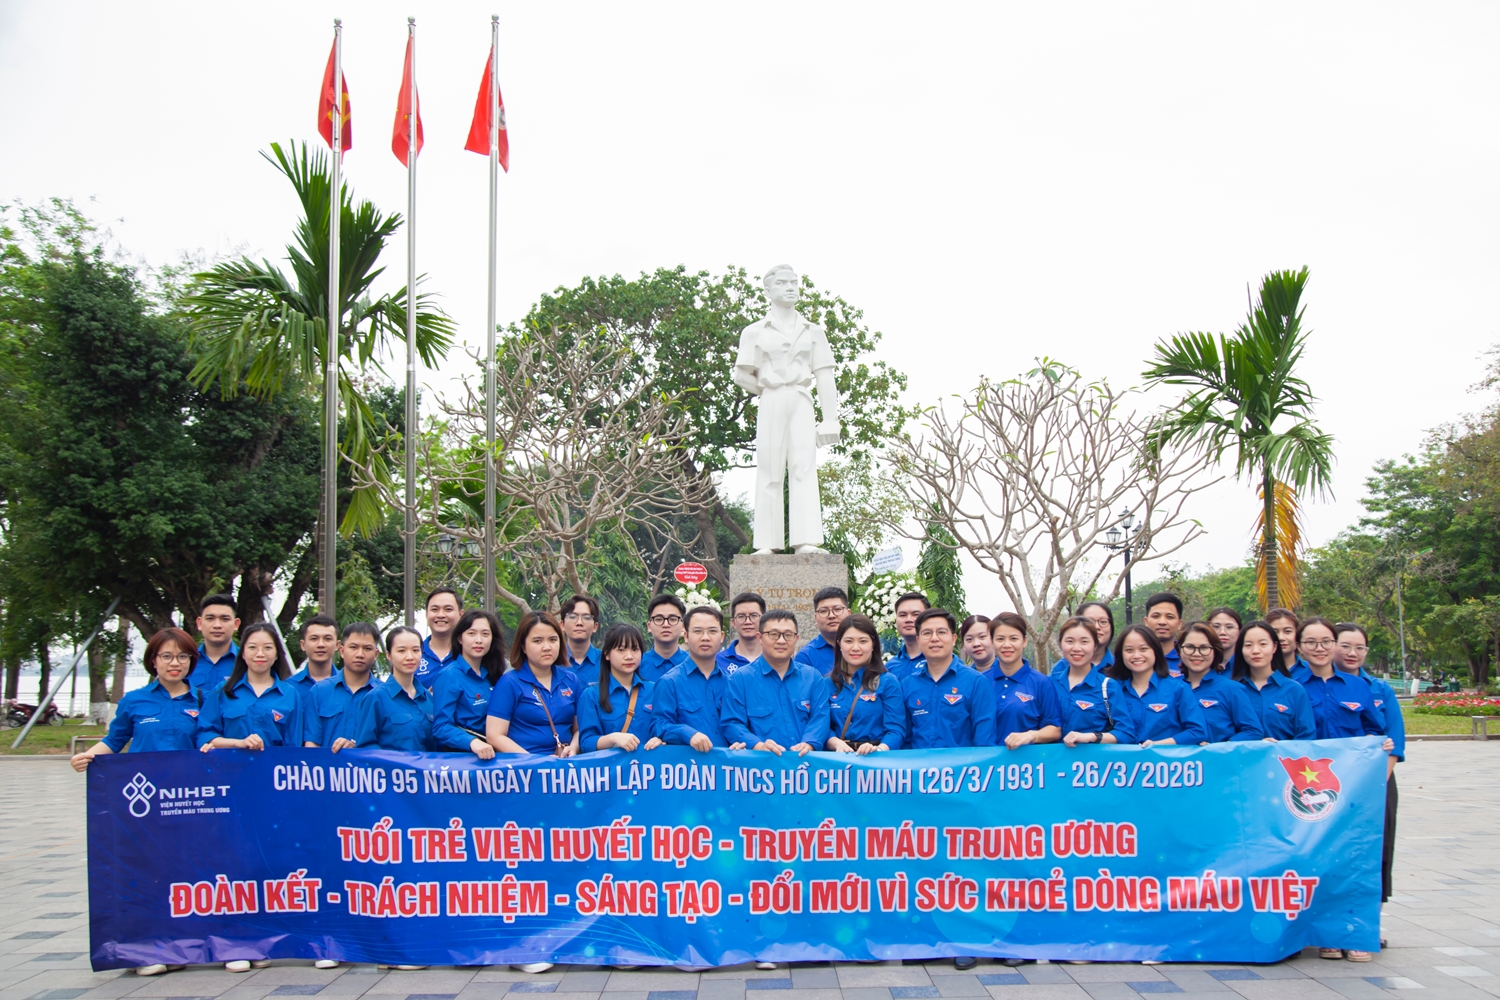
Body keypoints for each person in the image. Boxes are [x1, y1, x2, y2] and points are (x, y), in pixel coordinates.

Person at [1298, 615, 1389, 964]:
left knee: (1353, 858)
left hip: (1350, 788)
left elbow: (1374, 730)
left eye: (1325, 641)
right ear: (1299, 647)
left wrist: (1381, 745)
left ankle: (1355, 932)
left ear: (1334, 645)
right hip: (1306, 791)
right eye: (1311, 642)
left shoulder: (1357, 687)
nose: (1319, 648)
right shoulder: (1292, 686)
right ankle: (1326, 934)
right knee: (1315, 857)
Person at [735, 263, 841, 554]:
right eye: (782, 283)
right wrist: (768, 387)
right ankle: (766, 545)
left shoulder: (813, 331)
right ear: (768, 291)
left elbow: (825, 374)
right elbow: (742, 375)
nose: (790, 287)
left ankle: (806, 541)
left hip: (801, 398)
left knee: (804, 468)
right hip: (771, 398)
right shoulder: (754, 332)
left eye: (794, 282)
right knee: (769, 469)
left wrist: (830, 419)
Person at [1335, 622, 1402, 957]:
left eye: (1359, 647)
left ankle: (1367, 924)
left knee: (1375, 850)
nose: (1352, 653)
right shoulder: (1313, 685)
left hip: (1375, 784)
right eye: (1345, 646)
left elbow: (1394, 741)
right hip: (1329, 787)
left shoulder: (1379, 689)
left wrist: (1375, 784)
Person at [72, 628, 201, 771]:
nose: (175, 663)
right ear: (153, 661)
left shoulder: (206, 700)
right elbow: (115, 740)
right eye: (166, 656)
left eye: (182, 656)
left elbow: (214, 740)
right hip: (144, 780)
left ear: (191, 660)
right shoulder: (133, 700)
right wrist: (85, 757)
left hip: (190, 780)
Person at [722, 610, 825, 755]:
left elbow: (820, 717)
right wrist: (757, 745)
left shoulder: (812, 677)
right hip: (761, 763)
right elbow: (732, 723)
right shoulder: (740, 679)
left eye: (788, 635)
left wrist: (809, 743)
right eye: (774, 634)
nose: (781, 641)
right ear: (760, 637)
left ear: (796, 638)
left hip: (804, 762)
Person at [487, 610, 582, 758]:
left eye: (553, 639)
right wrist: (535, 762)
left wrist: (574, 748)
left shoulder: (571, 680)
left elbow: (580, 728)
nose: (547, 647)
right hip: (525, 766)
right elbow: (495, 736)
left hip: (565, 766)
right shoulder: (509, 683)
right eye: (537, 641)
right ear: (523, 646)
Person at [901, 609, 997, 751]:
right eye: (927, 633)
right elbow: (904, 738)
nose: (934, 638)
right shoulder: (907, 685)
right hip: (918, 764)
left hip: (963, 765)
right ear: (918, 640)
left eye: (941, 632)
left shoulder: (976, 683)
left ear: (953, 639)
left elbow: (985, 742)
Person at [815, 614, 905, 753]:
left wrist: (879, 749)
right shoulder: (827, 684)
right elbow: (820, 725)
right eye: (849, 641)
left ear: (873, 644)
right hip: (837, 759)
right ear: (839, 644)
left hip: (875, 758)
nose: (855, 647)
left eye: (863, 641)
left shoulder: (888, 682)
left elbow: (896, 730)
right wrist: (835, 743)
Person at [1104, 625, 1206, 746]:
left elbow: (1197, 731)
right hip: (1123, 758)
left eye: (1143, 649)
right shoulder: (1111, 690)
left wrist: (1158, 744)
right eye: (1129, 650)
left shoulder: (1178, 689)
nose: (1136, 655)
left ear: (1155, 651)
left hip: (1164, 757)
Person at [656, 606, 738, 752]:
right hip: (690, 764)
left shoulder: (732, 683)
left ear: (721, 636)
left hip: (728, 764)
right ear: (686, 636)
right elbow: (659, 725)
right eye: (698, 631)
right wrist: (687, 733)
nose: (705, 637)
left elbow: (740, 725)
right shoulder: (670, 682)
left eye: (712, 631)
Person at [578, 623, 665, 753]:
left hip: (649, 764)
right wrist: (613, 738)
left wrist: (660, 739)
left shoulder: (654, 690)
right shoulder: (591, 695)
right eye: (621, 650)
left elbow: (665, 727)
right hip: (613, 766)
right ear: (607, 654)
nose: (629, 656)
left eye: (635, 649)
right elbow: (586, 743)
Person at [430, 609, 506, 758]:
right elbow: (441, 726)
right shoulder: (449, 675)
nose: (479, 640)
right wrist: (471, 742)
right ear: (460, 638)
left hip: (496, 756)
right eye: (471, 633)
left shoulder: (495, 674)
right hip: (463, 758)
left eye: (485, 634)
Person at [1054, 617, 1136, 748]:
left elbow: (1126, 733)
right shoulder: (1048, 683)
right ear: (1061, 644)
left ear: (1095, 646)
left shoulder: (1108, 687)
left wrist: (1092, 736)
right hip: (1050, 760)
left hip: (1092, 760)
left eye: (1084, 642)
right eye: (1069, 641)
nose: (1076, 648)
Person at [353, 626, 436, 752]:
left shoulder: (428, 699)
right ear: (389, 655)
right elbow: (365, 747)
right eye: (401, 651)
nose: (410, 657)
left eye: (415, 650)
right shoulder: (376, 698)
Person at [1177, 622, 1262, 742]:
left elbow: (1253, 731)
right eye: (1190, 647)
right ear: (1179, 649)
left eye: (1204, 648)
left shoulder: (1231, 689)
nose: (1196, 654)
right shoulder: (1169, 688)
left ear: (1215, 651)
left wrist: (1220, 748)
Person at [1231, 620, 1315, 740]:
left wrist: (1275, 749)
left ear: (1274, 647)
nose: (1255, 651)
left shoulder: (1294, 690)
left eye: (1263, 644)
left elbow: (1306, 737)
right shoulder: (1232, 690)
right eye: (1248, 645)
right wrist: (1254, 745)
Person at [988, 613, 1063, 749]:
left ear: (1025, 641)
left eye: (1014, 638)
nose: (1007, 645)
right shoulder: (980, 681)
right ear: (992, 642)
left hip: (1026, 761)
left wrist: (1030, 735)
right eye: (1000, 639)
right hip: (986, 761)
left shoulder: (1041, 683)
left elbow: (1055, 729)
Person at [304, 623, 381, 751]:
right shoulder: (319, 691)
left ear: (376, 654)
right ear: (342, 651)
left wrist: (356, 748)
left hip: (368, 764)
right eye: (353, 647)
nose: (360, 654)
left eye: (367, 648)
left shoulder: (385, 695)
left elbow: (388, 745)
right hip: (325, 764)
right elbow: (311, 743)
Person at [794, 586, 851, 676]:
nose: (831, 615)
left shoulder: (863, 647)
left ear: (848, 613)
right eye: (824, 611)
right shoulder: (805, 657)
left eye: (837, 609)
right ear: (815, 618)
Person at [189, 593, 240, 692]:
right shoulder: (186, 662)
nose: (217, 625)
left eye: (225, 619)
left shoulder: (247, 662)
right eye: (210, 618)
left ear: (236, 624)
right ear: (199, 623)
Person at [1049, 601, 1114, 677]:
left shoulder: (1121, 666)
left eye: (1103, 622)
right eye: (1090, 621)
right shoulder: (1060, 668)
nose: (1097, 627)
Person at [418, 587, 463, 688]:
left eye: (448, 609)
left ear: (461, 614)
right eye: (434, 609)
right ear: (426, 614)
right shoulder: (413, 654)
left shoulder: (470, 654)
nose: (441, 615)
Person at [287, 615, 339, 699]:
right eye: (314, 639)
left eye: (327, 639)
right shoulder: (289, 687)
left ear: (337, 645)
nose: (321, 644)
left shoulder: (349, 685)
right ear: (303, 645)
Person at [640, 593, 689, 681]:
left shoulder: (694, 664)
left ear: (683, 626)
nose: (666, 625)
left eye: (672, 619)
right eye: (659, 619)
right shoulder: (636, 665)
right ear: (649, 626)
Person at [718, 592, 765, 674]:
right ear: (733, 623)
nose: (747, 622)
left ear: (764, 620)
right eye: (741, 616)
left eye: (754, 615)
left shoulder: (776, 659)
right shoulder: (717, 661)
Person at [1142, 593, 1184, 677]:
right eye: (1156, 616)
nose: (1162, 622)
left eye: (1170, 617)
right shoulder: (1132, 658)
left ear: (1179, 624)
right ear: (1146, 622)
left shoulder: (1188, 658)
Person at [890, 591, 931, 671]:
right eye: (903, 615)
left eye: (916, 614)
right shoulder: (890, 667)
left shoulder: (943, 661)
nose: (908, 619)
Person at [561, 594, 603, 671]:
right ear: (562, 625)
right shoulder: (552, 661)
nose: (579, 623)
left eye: (586, 618)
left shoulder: (607, 662)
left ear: (595, 626)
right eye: (572, 617)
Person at [1266, 607, 1310, 679]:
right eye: (1275, 632)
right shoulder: (1258, 673)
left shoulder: (1312, 670)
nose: (1281, 638)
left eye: (1287, 631)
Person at [1207, 607, 1242, 673]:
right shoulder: (1198, 664)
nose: (1222, 632)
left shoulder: (1248, 665)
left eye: (1229, 627)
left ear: (1239, 631)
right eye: (1216, 626)